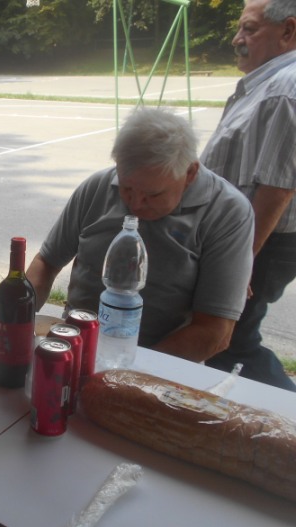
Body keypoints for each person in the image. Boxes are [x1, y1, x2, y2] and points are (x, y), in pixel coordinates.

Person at [26, 108, 255, 364]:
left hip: (162, 363)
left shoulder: (227, 212)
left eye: (153, 195)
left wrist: (131, 370)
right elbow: (46, 263)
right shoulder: (97, 187)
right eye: (126, 188)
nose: (135, 204)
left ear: (190, 173)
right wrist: (14, 320)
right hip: (76, 347)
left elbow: (214, 331)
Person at [200, 0, 296, 391]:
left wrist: (239, 265)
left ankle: (284, 415)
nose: (237, 39)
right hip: (249, 240)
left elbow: (277, 188)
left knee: (229, 342)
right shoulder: (269, 84)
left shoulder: (285, 89)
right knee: (227, 338)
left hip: (262, 241)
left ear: (288, 31)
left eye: (250, 29)